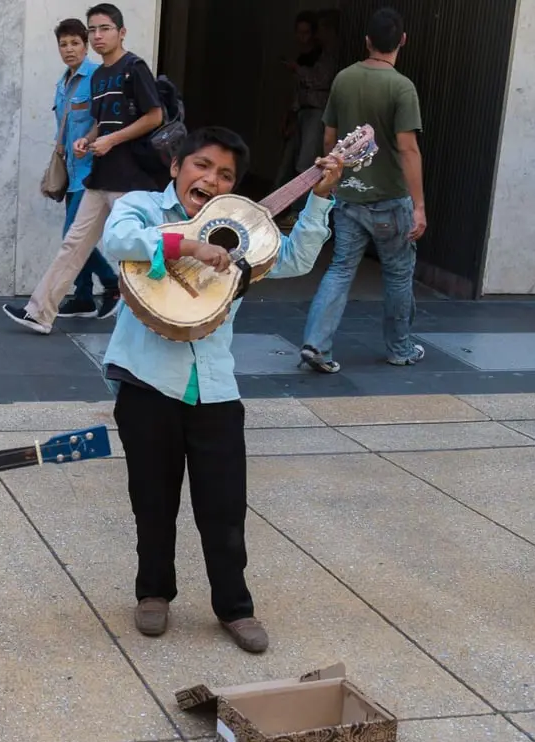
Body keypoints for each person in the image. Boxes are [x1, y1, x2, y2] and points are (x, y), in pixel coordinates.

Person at [100, 126, 343, 652]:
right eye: (202, 166)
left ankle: (234, 607)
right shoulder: (142, 206)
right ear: (177, 169)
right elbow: (115, 241)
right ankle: (153, 593)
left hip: (213, 387)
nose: (212, 179)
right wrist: (187, 244)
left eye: (226, 175)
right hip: (145, 383)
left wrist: (320, 198)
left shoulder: (242, 232)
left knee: (225, 507)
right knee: (152, 500)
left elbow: (296, 261)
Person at [4, 3, 164, 334]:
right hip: (99, 175)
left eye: (104, 28)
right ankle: (39, 312)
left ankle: (159, 315)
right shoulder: (101, 75)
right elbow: (100, 123)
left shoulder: (134, 68)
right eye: (93, 29)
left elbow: (154, 116)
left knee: (138, 250)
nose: (98, 35)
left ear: (121, 32)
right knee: (73, 245)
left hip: (130, 179)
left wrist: (113, 140)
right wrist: (88, 139)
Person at [299, 7, 426, 374]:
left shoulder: (343, 78)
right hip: (390, 200)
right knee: (399, 273)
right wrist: (419, 206)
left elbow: (329, 137)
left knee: (340, 269)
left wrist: (331, 181)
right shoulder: (402, 87)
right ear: (402, 40)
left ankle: (315, 345)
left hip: (348, 196)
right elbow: (408, 148)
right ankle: (400, 348)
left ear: (367, 41)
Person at [49, 18, 120, 320]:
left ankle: (111, 281)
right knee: (74, 237)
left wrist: (88, 142)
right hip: (71, 170)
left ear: (86, 44)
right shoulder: (64, 82)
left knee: (73, 238)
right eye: (63, 44)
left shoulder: (95, 77)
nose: (69, 49)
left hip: (91, 171)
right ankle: (82, 297)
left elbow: (101, 120)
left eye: (75, 43)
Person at [274, 11, 336, 200]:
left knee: (305, 163)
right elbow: (296, 91)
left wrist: (298, 70)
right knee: (289, 162)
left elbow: (321, 81)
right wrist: (290, 114)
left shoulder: (323, 55)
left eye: (306, 33)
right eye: (299, 33)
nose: (302, 38)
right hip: (301, 111)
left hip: (316, 112)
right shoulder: (304, 56)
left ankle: (299, 209)